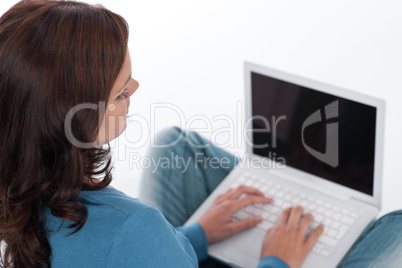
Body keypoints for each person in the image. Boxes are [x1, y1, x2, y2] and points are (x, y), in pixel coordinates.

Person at [0, 1, 401, 268]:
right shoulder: (136, 227)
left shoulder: (21, 192)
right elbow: (134, 243)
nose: (135, 88)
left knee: (177, 144)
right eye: (122, 91)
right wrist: (277, 259)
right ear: (71, 117)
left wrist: (196, 235)